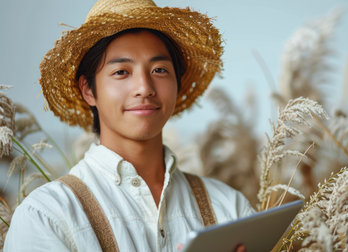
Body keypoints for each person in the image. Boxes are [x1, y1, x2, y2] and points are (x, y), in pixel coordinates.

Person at [4, 0, 254, 251]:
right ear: (88, 89)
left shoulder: (230, 208)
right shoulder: (47, 217)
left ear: (178, 83)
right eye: (122, 72)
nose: (144, 88)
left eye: (159, 69)